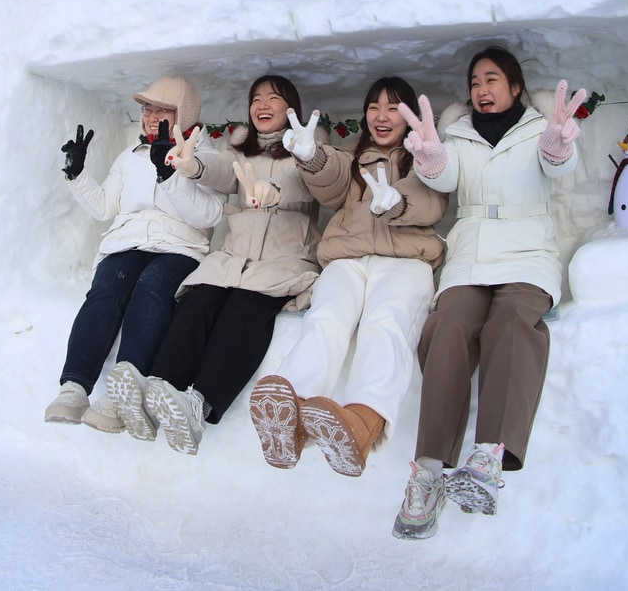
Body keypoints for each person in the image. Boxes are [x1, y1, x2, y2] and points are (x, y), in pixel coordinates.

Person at [389, 46, 585, 539]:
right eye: (475, 81)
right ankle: (428, 473)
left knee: (512, 323)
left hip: (526, 254)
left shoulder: (542, 130)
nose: (482, 89)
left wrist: (559, 146)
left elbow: (557, 165)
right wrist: (432, 161)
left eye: (492, 79)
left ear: (515, 86)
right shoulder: (456, 135)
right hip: (472, 253)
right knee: (448, 326)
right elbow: (446, 175)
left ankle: (488, 457)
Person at [112, 75, 324, 455]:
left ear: (290, 108)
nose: (262, 105)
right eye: (256, 98)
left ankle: (199, 404)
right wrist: (192, 166)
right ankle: (164, 385)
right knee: (199, 302)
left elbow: (305, 180)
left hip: (284, 259)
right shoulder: (240, 147)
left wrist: (273, 191)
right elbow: (222, 169)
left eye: (272, 98)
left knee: (244, 311)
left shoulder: (310, 148)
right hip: (234, 256)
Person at [247, 77, 447, 477]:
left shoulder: (426, 157)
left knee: (384, 323)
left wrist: (399, 201)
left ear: (409, 117)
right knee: (327, 318)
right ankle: (289, 411)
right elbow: (332, 179)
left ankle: (362, 423)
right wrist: (312, 156)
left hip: (406, 260)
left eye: (393, 108)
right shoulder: (353, 156)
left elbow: (434, 199)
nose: (382, 116)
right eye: (374, 107)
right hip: (348, 257)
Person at [44, 76, 224, 435]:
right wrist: (77, 174)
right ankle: (74, 387)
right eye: (147, 109)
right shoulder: (130, 156)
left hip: (179, 247)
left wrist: (169, 174)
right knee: (106, 288)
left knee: (152, 287)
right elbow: (105, 207)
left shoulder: (207, 157)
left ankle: (121, 394)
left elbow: (209, 216)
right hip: (126, 243)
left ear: (183, 115)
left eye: (162, 110)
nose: (151, 116)